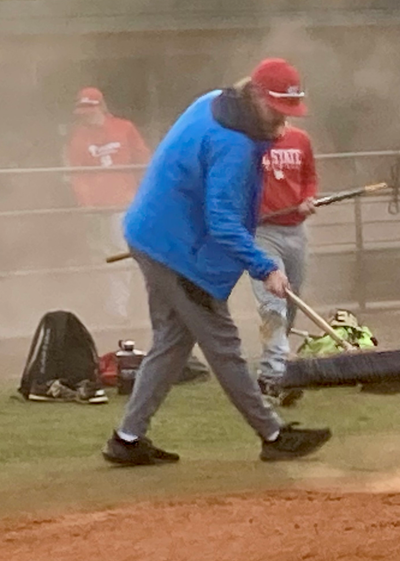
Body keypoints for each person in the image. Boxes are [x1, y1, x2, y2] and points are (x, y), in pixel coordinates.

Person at [101, 58, 332, 466]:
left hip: (151, 234)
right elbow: (223, 223)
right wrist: (266, 267)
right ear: (257, 96)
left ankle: (127, 438)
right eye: (277, 111)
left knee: (171, 342)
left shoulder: (214, 102)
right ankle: (273, 434)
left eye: (289, 113)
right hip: (179, 251)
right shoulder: (235, 145)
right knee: (223, 345)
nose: (283, 123)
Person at [65, 87, 151, 322]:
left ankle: (119, 310)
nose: (86, 114)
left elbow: (142, 159)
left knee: (119, 252)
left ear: (101, 106)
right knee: (100, 256)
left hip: (123, 202)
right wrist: (86, 202)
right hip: (95, 206)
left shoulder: (124, 128)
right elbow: (77, 174)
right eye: (83, 110)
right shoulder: (79, 137)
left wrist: (144, 194)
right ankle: (113, 307)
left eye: (90, 108)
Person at [253, 122, 318, 406]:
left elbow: (309, 177)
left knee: (292, 301)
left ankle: (271, 367)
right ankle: (275, 375)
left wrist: (307, 199)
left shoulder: (300, 138)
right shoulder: (248, 142)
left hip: (296, 230)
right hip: (262, 232)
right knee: (274, 303)